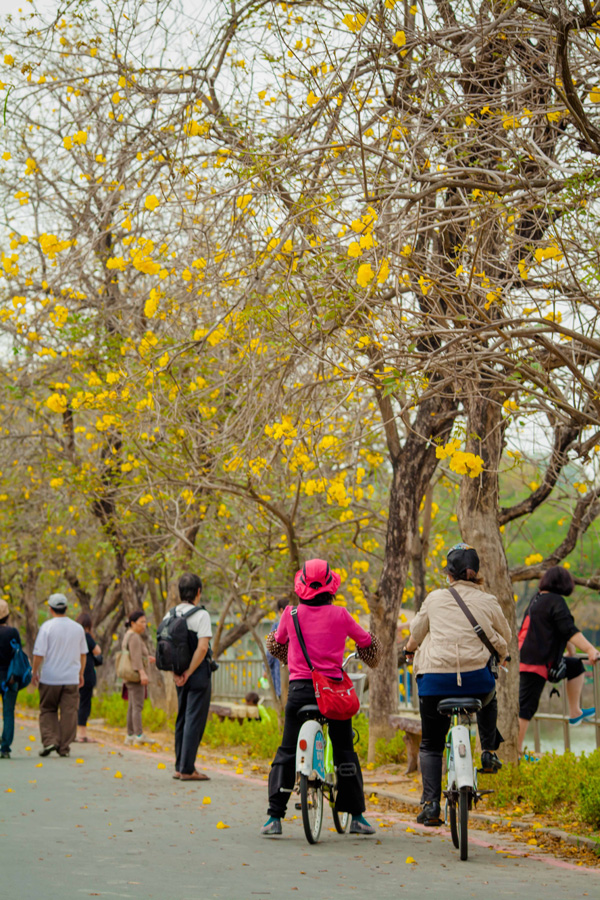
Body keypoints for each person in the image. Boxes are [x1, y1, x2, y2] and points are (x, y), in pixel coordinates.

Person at [261, 558, 381, 837]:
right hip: (333, 693)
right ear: (331, 586)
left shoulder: (289, 615)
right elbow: (367, 643)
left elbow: (277, 643)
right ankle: (357, 817)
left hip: (300, 691)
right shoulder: (341, 615)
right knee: (343, 749)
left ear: (301, 585)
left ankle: (273, 818)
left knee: (287, 750)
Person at [405, 543, 511, 827]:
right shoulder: (488, 600)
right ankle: (488, 752)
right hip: (476, 681)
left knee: (430, 743)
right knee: (491, 693)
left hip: (434, 683)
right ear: (476, 574)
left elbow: (416, 633)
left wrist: (409, 650)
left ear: (449, 574)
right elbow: (505, 635)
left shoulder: (436, 598)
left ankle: (430, 805)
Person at [518, 565, 599, 752]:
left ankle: (575, 712)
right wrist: (589, 649)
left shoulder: (537, 599)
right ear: (564, 584)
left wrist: (571, 653)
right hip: (534, 661)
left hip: (528, 657)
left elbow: (561, 630)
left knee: (576, 666)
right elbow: (569, 629)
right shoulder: (555, 600)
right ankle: (518, 753)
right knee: (526, 708)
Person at [166, 572, 213, 781]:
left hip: (178, 675)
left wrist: (178, 674)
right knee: (194, 720)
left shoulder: (171, 614)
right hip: (197, 674)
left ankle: (179, 766)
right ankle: (188, 769)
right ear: (198, 592)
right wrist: (190, 672)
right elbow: (203, 648)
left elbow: (165, 648)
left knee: (183, 717)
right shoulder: (201, 615)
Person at [32, 593, 88, 758]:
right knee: (69, 712)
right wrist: (81, 673)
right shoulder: (77, 628)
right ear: (66, 608)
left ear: (50, 609)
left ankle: (50, 740)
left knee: (48, 709)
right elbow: (83, 654)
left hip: (50, 678)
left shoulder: (47, 627)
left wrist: (34, 672)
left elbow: (39, 654)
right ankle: (64, 746)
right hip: (71, 678)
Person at [122, 610, 156, 746]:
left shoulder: (127, 635)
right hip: (135, 676)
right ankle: (139, 734)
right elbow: (135, 658)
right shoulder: (135, 637)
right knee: (137, 706)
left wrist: (146, 659)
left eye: (145, 621)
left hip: (129, 676)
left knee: (132, 706)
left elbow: (133, 655)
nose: (144, 625)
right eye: (141, 622)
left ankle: (130, 735)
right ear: (133, 623)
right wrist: (142, 673)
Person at [75, 613, 103, 742]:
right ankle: (82, 733)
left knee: (74, 703)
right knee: (85, 703)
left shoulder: (73, 636)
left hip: (73, 672)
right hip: (86, 674)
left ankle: (73, 732)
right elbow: (97, 651)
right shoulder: (85, 636)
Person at [0, 599, 22, 759]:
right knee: (8, 712)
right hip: (10, 678)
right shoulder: (12, 632)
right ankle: (5, 748)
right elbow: (19, 655)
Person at [264, 597, 288, 698]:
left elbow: (271, 650)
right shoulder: (299, 624)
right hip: (297, 676)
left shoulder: (277, 626)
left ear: (281, 610)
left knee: (282, 698)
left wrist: (266, 668)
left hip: (281, 671)